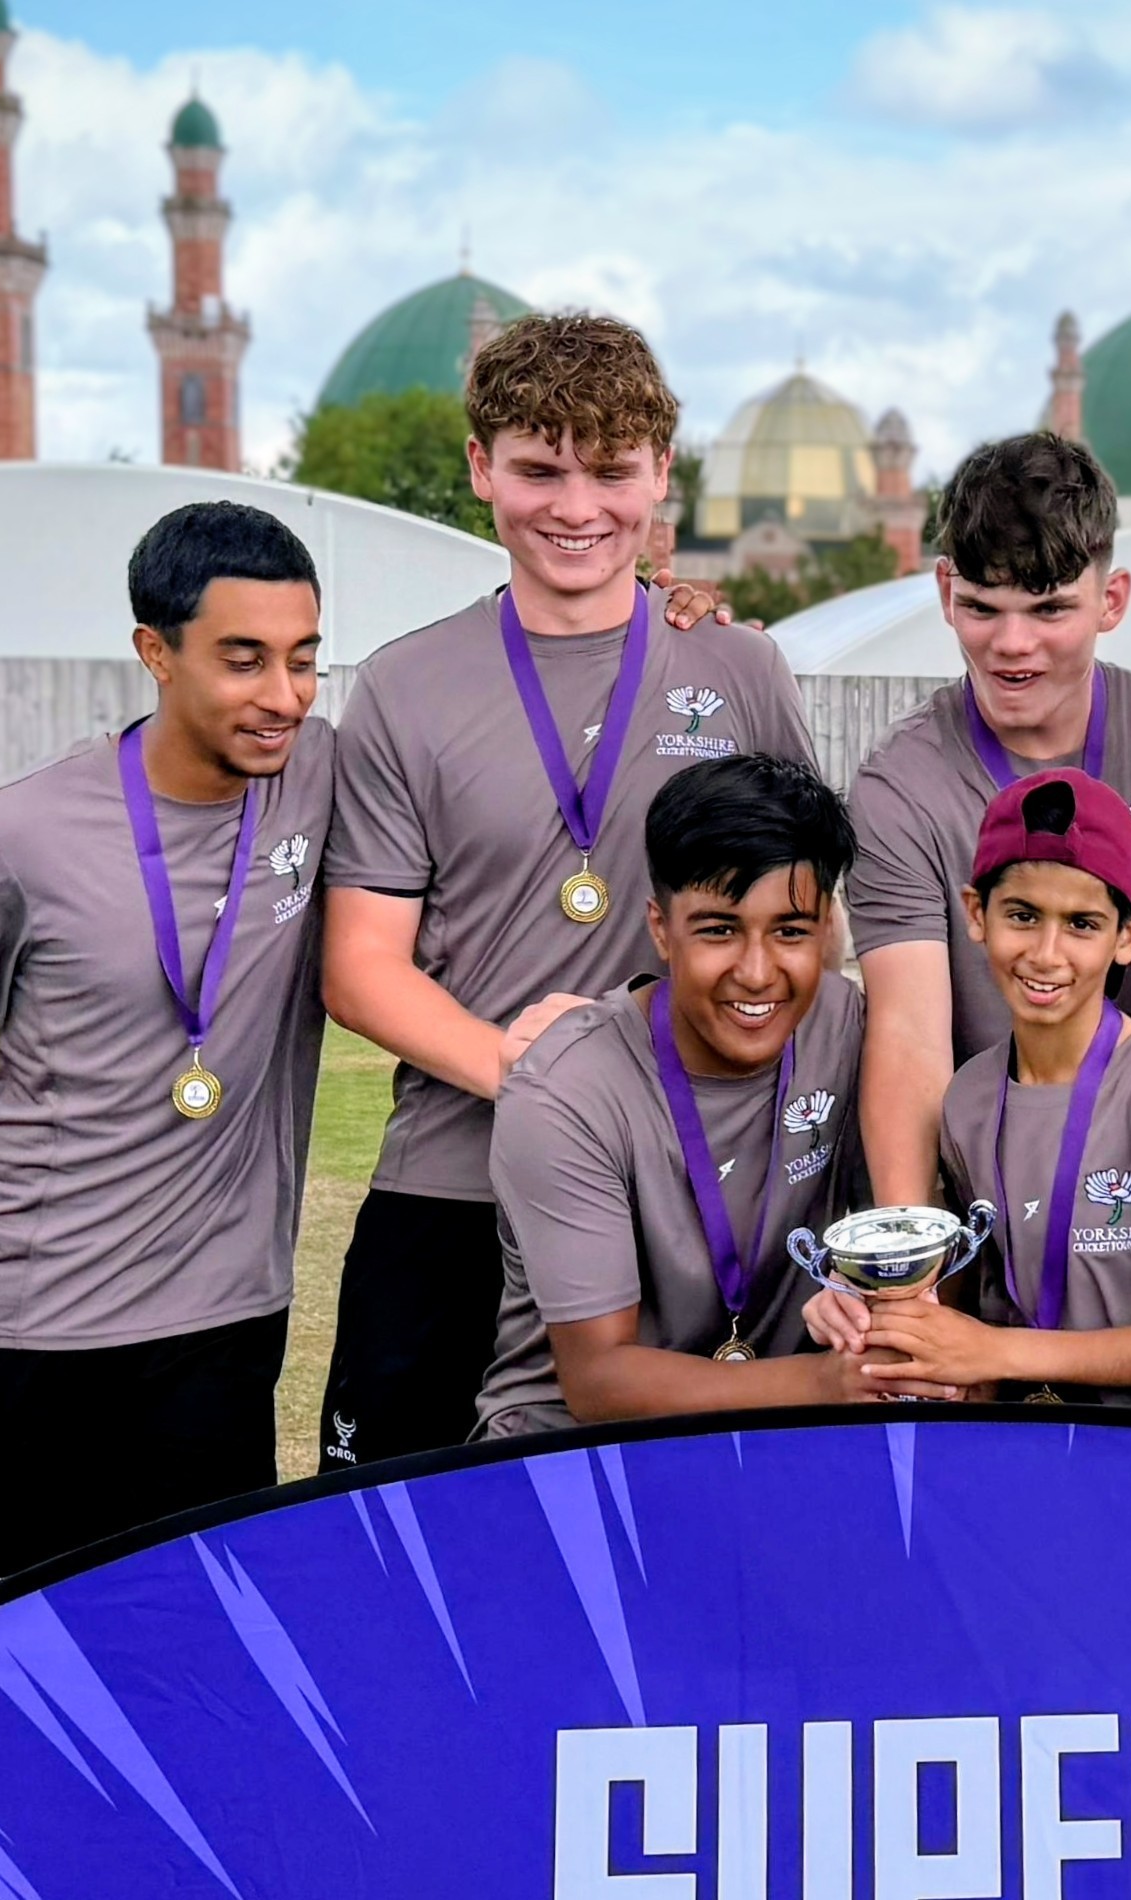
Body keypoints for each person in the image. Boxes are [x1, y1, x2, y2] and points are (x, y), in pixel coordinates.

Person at [318, 311, 814, 1467]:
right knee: (395, 1549)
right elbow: (358, 964)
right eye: (539, 469)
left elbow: (804, 929)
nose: (576, 506)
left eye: (611, 471)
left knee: (667, 1553)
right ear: (481, 468)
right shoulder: (404, 686)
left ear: (661, 475)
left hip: (689, 1190)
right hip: (453, 1187)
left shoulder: (741, 670)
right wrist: (538, 1077)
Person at [0, 500, 333, 1594]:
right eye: (243, 659)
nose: (282, 697)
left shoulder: (322, 778)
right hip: (28, 1333)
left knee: (197, 1666)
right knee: (21, 1674)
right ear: (155, 652)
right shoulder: (11, 833)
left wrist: (666, 613)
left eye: (305, 660)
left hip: (222, 1328)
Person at [847, 432, 1131, 1206]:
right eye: (983, 609)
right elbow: (909, 1035)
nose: (1012, 644)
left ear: (1111, 599)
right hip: (985, 1188)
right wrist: (914, 1250)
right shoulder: (902, 783)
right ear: (943, 591)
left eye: (1051, 608)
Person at [811, 769, 1131, 1411]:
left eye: (1082, 923)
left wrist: (999, 1351)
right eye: (1023, 916)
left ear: (1128, 937)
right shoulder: (969, 1099)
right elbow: (972, 1307)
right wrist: (866, 1304)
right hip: (1024, 1453)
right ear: (977, 914)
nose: (1047, 953)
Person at [475, 753, 904, 1433]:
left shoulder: (852, 1031)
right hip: (576, 1451)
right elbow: (598, 1382)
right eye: (718, 930)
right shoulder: (567, 1092)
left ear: (826, 928)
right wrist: (827, 1380)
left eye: (789, 931)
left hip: (782, 1432)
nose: (757, 972)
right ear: (659, 928)